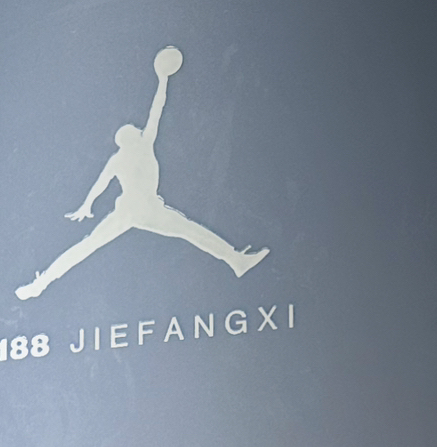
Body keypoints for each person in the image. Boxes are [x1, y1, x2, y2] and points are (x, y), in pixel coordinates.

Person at [16, 45, 267, 300]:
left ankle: (41, 283)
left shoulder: (121, 157)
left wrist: (87, 205)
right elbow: (156, 110)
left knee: (87, 246)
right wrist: (162, 80)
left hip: (136, 209)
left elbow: (100, 185)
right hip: (141, 208)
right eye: (136, 130)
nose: (140, 129)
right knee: (189, 231)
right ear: (130, 137)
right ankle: (235, 260)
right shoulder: (141, 146)